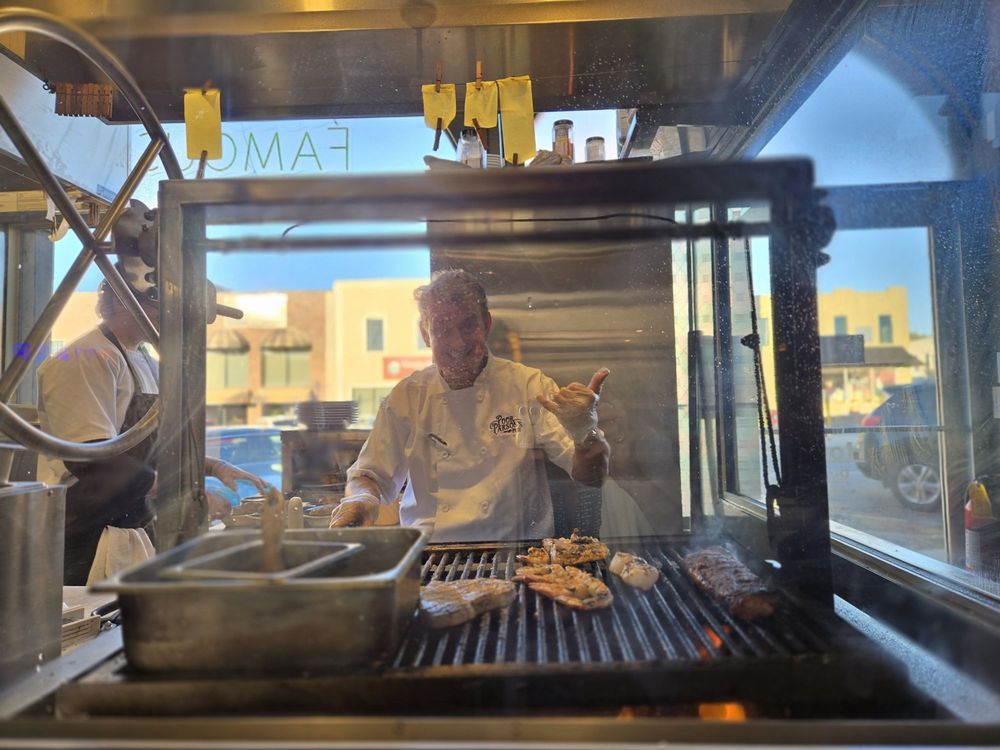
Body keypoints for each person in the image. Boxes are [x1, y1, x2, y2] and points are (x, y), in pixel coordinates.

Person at [330, 269, 610, 542]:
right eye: (441, 328)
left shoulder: (528, 386)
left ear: (486, 325)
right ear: (425, 333)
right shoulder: (407, 397)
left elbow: (590, 477)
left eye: (468, 325)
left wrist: (585, 433)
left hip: (517, 556)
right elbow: (369, 475)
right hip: (431, 558)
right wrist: (361, 499)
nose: (457, 343)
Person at [37, 261, 267, 584]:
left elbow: (151, 451)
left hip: (126, 529)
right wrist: (185, 488)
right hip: (82, 539)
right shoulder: (85, 359)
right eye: (156, 301)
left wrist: (211, 467)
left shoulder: (145, 359)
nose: (166, 313)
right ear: (118, 298)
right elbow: (95, 463)